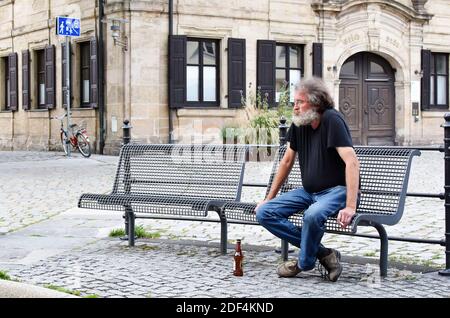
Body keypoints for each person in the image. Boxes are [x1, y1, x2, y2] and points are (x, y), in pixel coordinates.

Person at [255, 77, 360, 282]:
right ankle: (323, 253)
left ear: (316, 103)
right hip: (308, 192)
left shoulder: (332, 120)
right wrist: (269, 198)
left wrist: (350, 206)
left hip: (336, 190)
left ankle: (304, 263)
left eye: (299, 102)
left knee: (312, 215)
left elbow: (352, 162)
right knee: (264, 212)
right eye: (294, 102)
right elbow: (286, 162)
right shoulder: (299, 124)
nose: (295, 107)